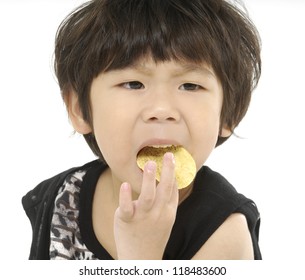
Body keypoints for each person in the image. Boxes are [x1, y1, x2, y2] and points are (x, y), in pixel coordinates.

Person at [22, 0, 262, 260]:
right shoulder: (60, 198)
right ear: (79, 108)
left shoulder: (224, 235)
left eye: (190, 86)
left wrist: (141, 258)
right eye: (133, 84)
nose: (161, 109)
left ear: (229, 113)